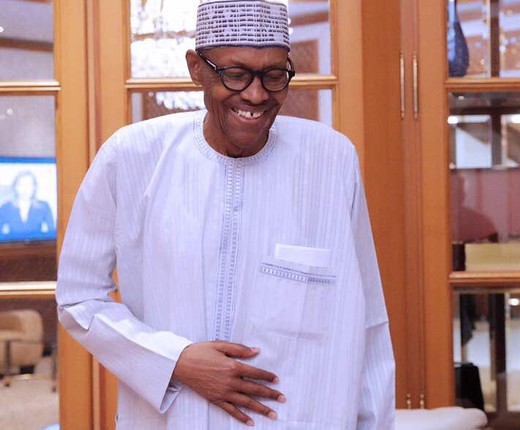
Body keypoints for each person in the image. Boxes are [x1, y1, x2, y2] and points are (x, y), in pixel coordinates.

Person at [56, 1, 395, 429]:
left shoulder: (330, 159)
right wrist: (174, 360)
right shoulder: (133, 157)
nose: (256, 95)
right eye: (235, 74)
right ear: (197, 68)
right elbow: (78, 296)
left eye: (273, 75)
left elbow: (367, 323)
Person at [0, 170, 55, 240]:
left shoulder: (44, 206)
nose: (25, 189)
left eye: (29, 185)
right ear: (15, 187)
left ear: (34, 187)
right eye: (21, 185)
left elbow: (52, 232)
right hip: (13, 248)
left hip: (38, 247)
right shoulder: (5, 207)